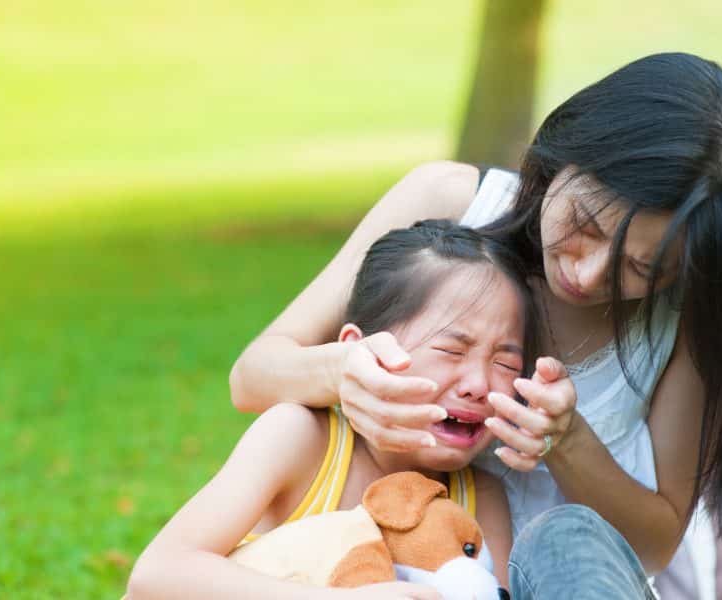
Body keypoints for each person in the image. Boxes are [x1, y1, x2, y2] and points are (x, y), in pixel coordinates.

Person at [229, 52, 722, 597]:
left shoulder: (680, 325)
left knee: (564, 538)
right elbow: (254, 375)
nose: (587, 274)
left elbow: (654, 546)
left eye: (641, 268)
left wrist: (567, 441)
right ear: (564, 153)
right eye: (584, 225)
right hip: (374, 574)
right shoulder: (450, 203)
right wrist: (345, 372)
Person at [127, 219, 542, 599]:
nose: (479, 385)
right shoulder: (299, 439)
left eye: (505, 363)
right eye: (451, 350)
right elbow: (157, 575)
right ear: (357, 353)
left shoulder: (478, 496)